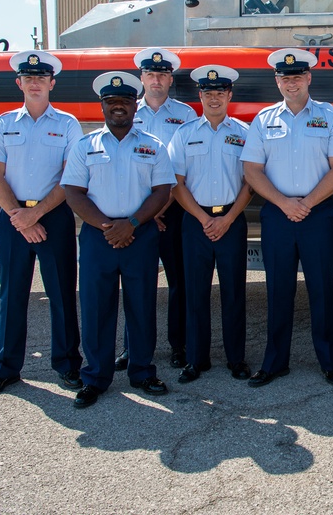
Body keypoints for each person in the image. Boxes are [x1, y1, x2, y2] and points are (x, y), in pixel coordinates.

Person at [61, 70, 175, 408]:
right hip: (100, 238)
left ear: (134, 105)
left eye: (124, 101)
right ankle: (95, 376)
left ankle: (142, 372)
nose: (118, 107)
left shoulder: (153, 146)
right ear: (102, 107)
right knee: (96, 308)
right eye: (112, 102)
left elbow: (162, 191)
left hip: (140, 236)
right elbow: (73, 192)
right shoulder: (85, 146)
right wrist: (109, 227)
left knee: (142, 307)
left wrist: (134, 223)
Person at [240, 48, 333, 387]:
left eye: (297, 77)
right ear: (277, 81)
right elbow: (252, 170)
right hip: (277, 215)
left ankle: (330, 362)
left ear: (309, 78)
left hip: (317, 215)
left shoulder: (329, 116)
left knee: (322, 289)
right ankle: (275, 362)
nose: (292, 83)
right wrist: (284, 203)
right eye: (285, 78)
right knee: (277, 290)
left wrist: (306, 203)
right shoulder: (263, 120)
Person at [0, 51, 84, 399]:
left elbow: (70, 178)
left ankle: (68, 366)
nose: (35, 83)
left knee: (62, 295)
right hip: (13, 218)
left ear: (52, 83)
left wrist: (35, 216)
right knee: (12, 296)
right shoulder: (4, 123)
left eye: (42, 78)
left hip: (53, 216)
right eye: (29, 78)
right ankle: (5, 370)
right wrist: (19, 217)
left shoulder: (67, 124)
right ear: (19, 83)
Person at [168, 65, 252, 383]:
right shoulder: (184, 134)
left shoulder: (244, 133)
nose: (214, 98)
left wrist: (228, 219)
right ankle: (196, 359)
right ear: (199, 95)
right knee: (195, 293)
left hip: (232, 220)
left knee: (233, 292)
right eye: (208, 93)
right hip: (195, 222)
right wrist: (205, 219)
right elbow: (177, 184)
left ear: (230, 95)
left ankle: (236, 359)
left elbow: (250, 182)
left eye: (220, 92)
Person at [115, 47, 197, 372]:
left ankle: (179, 345)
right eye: (151, 74)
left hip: (173, 211)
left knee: (180, 283)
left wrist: (161, 208)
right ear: (142, 78)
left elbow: (184, 168)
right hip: (135, 214)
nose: (157, 80)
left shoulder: (186, 115)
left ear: (170, 78)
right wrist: (144, 213)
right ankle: (131, 348)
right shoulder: (125, 112)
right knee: (136, 283)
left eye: (162, 74)